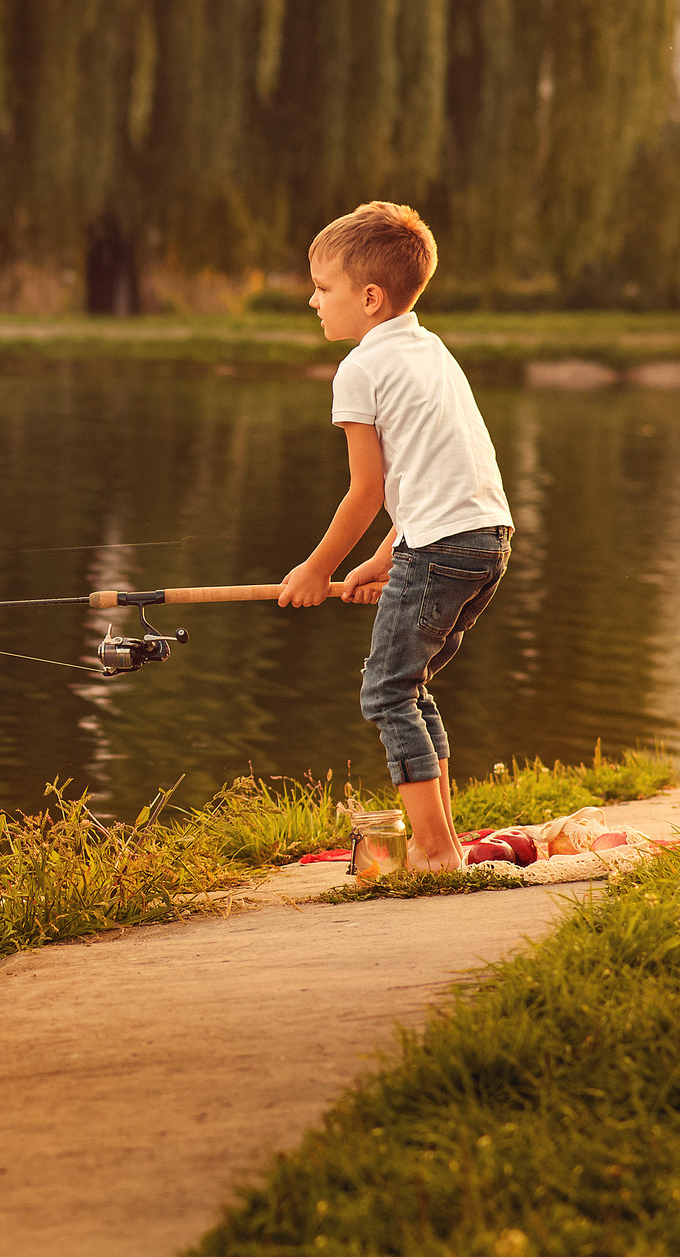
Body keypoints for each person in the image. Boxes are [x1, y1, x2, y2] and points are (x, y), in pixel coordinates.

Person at [276, 201, 514, 871]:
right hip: (485, 537)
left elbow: (367, 491)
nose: (314, 301)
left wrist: (317, 569)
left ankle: (435, 851)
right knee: (409, 687)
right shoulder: (429, 348)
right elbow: (427, 476)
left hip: (439, 544)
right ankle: (444, 842)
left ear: (370, 297)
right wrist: (382, 562)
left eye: (324, 289)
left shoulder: (359, 368)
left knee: (385, 692)